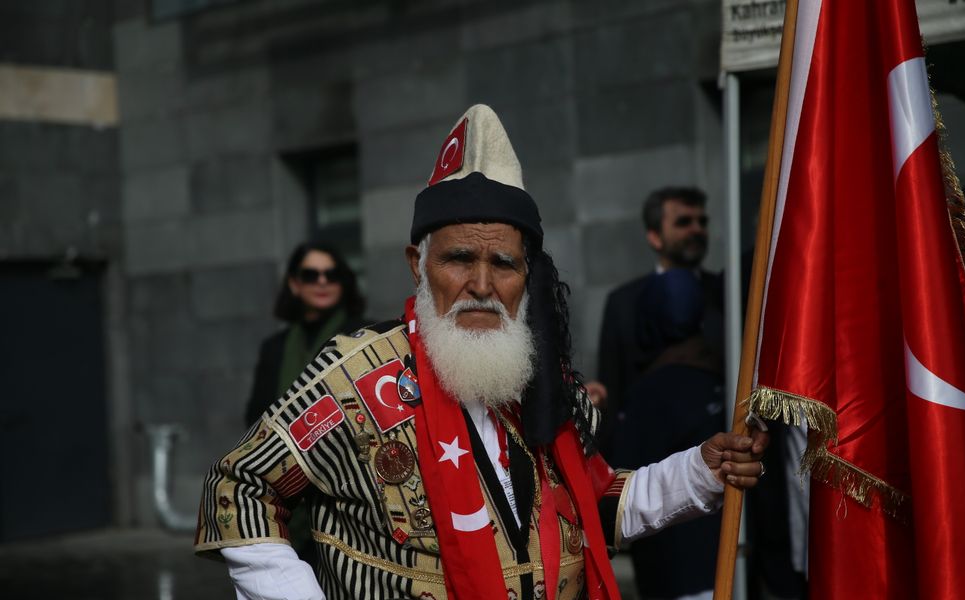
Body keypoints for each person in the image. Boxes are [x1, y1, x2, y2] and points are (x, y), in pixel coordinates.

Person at [195, 104, 767, 600]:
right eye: (459, 259)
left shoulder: (545, 386)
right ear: (418, 264)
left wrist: (698, 472)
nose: (482, 285)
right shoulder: (356, 378)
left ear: (527, 275)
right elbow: (240, 485)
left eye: (504, 264)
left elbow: (594, 510)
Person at [609, 269, 725, 600]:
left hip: (675, 575)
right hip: (726, 563)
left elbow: (619, 489)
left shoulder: (648, 395)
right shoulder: (720, 377)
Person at [596, 186, 724, 461]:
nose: (696, 229)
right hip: (646, 455)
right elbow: (613, 388)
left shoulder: (727, 292)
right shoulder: (623, 302)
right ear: (655, 236)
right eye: (683, 222)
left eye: (702, 222)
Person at [245, 241, 370, 427]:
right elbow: (256, 419)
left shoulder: (364, 334)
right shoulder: (274, 348)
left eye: (332, 275)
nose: (322, 281)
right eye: (311, 275)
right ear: (294, 284)